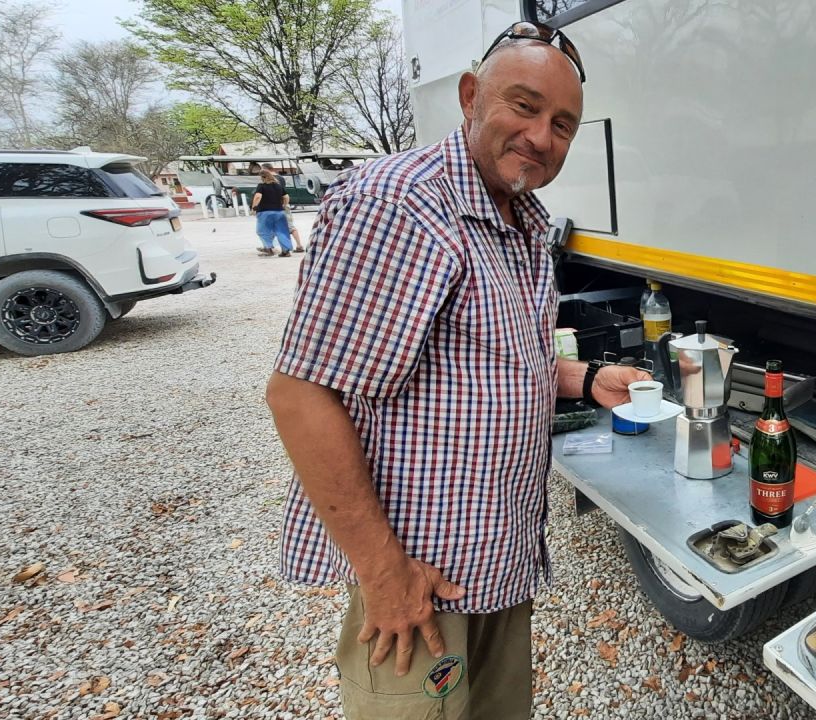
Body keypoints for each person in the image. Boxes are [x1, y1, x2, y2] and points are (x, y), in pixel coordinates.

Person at [265, 21, 636, 720]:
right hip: (420, 585)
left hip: (494, 563)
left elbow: (494, 360)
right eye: (522, 106)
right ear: (470, 95)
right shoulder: (401, 205)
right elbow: (301, 396)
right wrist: (383, 575)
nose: (541, 137)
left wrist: (585, 380)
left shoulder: (521, 215)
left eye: (562, 124)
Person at [252, 169, 294, 257]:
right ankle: (286, 251)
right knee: (281, 231)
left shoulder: (261, 186)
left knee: (262, 231)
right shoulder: (278, 186)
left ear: (263, 177)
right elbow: (286, 197)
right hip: (279, 211)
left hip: (265, 212)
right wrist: (284, 205)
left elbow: (258, 196)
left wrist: (254, 207)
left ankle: (268, 249)